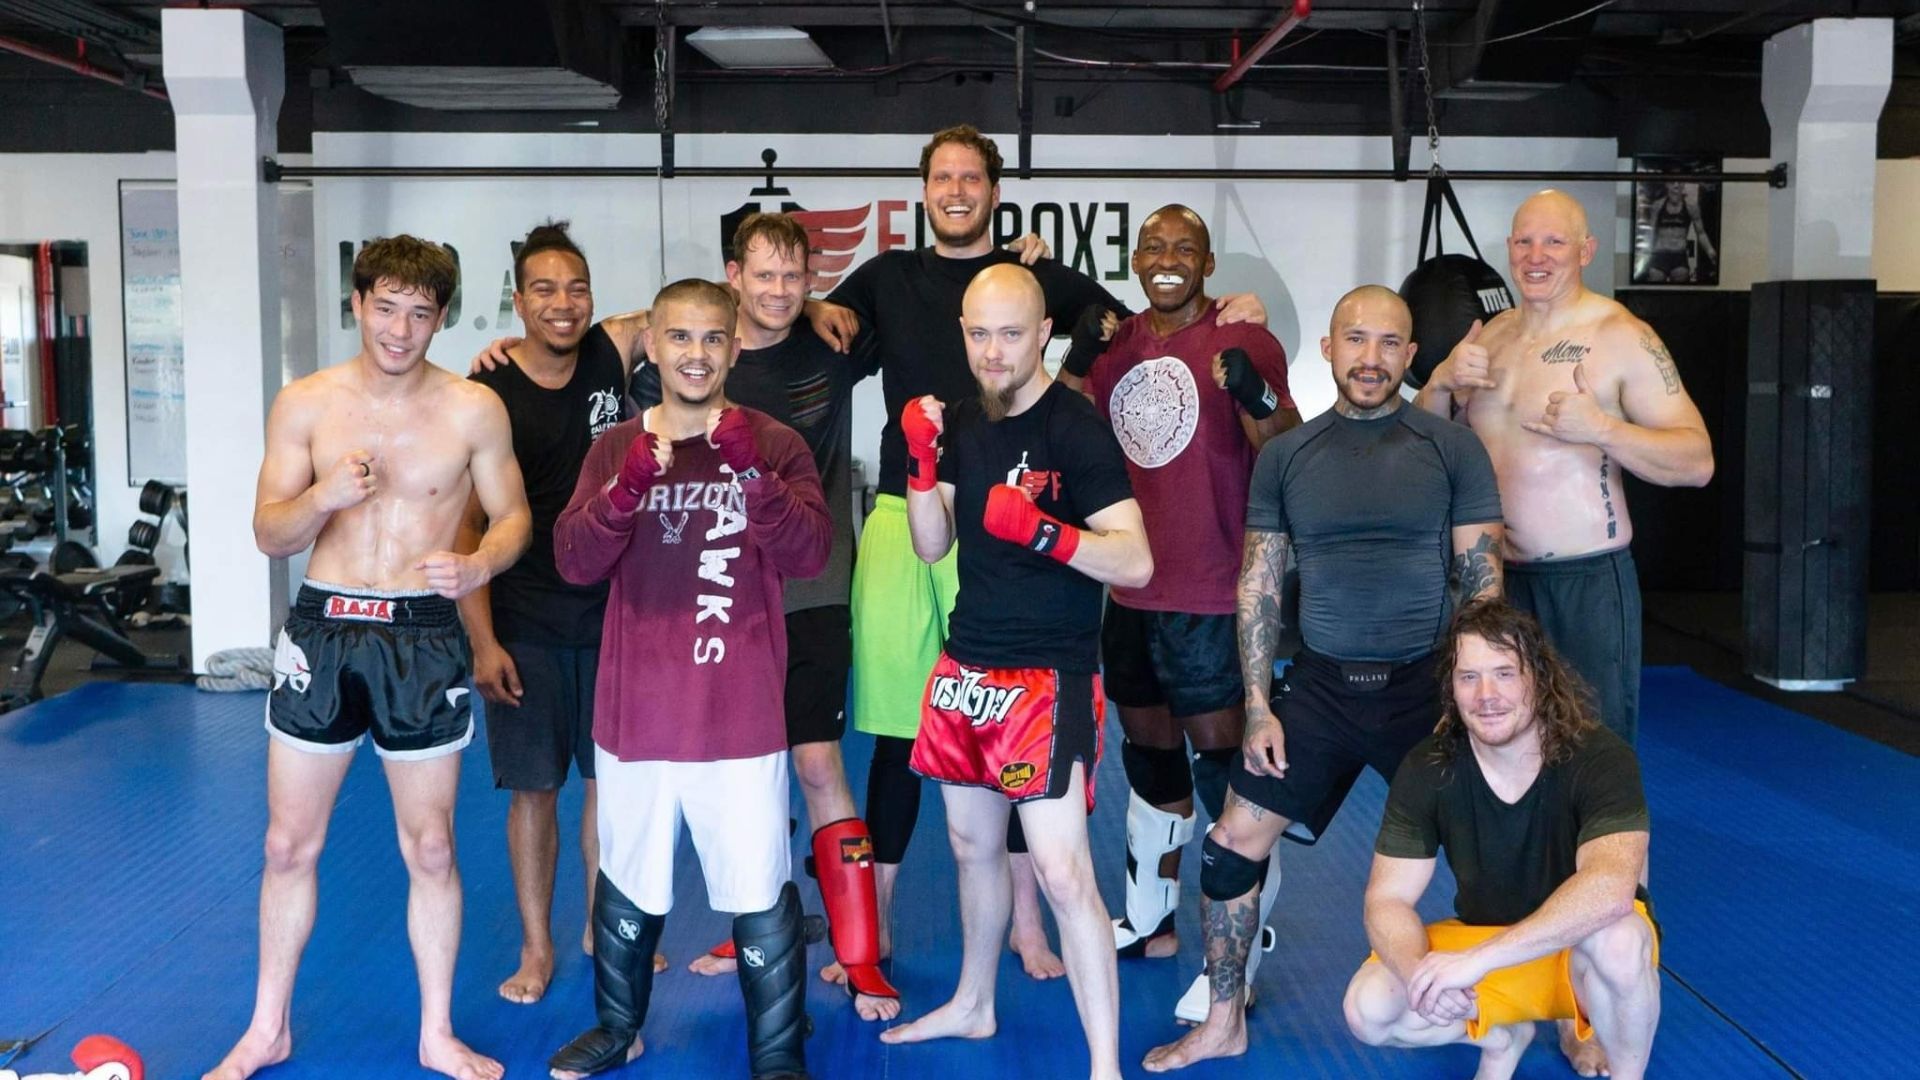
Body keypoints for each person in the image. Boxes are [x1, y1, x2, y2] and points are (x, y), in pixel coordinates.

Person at [806, 124, 1266, 981]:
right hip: (918, 510)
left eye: (970, 176)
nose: (955, 189)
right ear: (923, 189)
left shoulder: (1045, 276)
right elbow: (808, 325)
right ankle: (875, 932)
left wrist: (1236, 311)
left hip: (1021, 514)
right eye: (941, 176)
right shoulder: (884, 277)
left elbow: (1145, 319)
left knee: (1025, 727)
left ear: (993, 188)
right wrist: (805, 303)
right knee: (909, 734)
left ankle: (1027, 925)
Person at [1142, 285, 1505, 1073]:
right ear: (1332, 350)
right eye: (1356, 340)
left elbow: (1482, 583)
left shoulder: (1450, 448)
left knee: (1499, 846)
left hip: (1427, 687)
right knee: (1232, 841)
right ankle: (1224, 1019)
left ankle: (1518, 1015)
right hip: (1322, 689)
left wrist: (1479, 702)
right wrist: (1261, 706)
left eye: (1388, 344)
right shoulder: (1288, 455)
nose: (1370, 358)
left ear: (1411, 358)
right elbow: (1259, 584)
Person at [210, 235, 531, 1080]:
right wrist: (323, 497)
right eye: (385, 307)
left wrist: (478, 565)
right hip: (323, 630)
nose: (400, 328)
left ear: (441, 318)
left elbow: (514, 516)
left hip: (422, 635)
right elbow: (266, 532)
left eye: (421, 312)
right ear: (356, 304)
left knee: (430, 849)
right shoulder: (307, 404)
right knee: (287, 845)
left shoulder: (473, 409)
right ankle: (266, 1028)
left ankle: (436, 1034)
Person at [548, 278, 832, 1080]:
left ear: (735, 347)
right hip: (637, 710)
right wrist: (628, 487)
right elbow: (575, 560)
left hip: (737, 711)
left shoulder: (773, 442)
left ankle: (777, 1053)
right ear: (654, 346)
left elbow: (809, 554)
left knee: (757, 886)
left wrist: (751, 477)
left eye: (713, 338)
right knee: (628, 879)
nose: (697, 354)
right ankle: (615, 1027)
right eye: (680, 337)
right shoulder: (614, 449)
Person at [883, 263, 1150, 1080]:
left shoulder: (1078, 429)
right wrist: (921, 469)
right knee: (971, 849)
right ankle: (972, 1003)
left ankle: (1103, 1065)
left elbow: (1135, 561)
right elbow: (934, 545)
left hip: (1050, 675)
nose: (992, 351)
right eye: (978, 334)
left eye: (1009, 333)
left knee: (1065, 874)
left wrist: (1047, 533)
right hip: (969, 666)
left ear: (1043, 336)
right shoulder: (961, 421)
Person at [672, 211, 901, 1023]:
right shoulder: (701, 359)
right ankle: (757, 926)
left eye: (793, 278)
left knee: (815, 764)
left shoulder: (833, 346)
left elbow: (928, 304)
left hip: (811, 592)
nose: (777, 291)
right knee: (744, 772)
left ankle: (862, 959)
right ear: (733, 276)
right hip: (720, 598)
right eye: (762, 276)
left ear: (811, 281)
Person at [1074, 205, 1301, 1021]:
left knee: (1225, 775)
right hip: (1129, 590)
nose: (1167, 260)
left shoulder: (1243, 337)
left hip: (1212, 592)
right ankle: (1151, 919)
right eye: (1154, 247)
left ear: (1207, 264)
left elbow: (1285, 444)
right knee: (1149, 758)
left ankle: (1242, 949)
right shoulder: (1117, 345)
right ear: (1134, 258)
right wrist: (1076, 362)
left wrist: (1259, 390)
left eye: (1185, 249)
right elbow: (1069, 436)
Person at [1417, 189, 1712, 751]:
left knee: (1592, 749)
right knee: (1494, 741)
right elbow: (1424, 446)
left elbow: (1697, 461)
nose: (1537, 255)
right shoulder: (1490, 337)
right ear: (1508, 248)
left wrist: (1603, 429)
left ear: (1586, 249)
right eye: (1525, 241)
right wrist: (1440, 384)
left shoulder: (1621, 335)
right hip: (1493, 581)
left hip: (1585, 581)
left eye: (1554, 241)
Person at [1343, 599, 1660, 1080]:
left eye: (1504, 674)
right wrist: (1419, 975)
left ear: (1539, 677)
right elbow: (1385, 899)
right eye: (1469, 677)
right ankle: (1503, 1038)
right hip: (1490, 944)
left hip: (1576, 955)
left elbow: (1611, 888)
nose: (1486, 694)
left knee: (1619, 941)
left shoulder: (1601, 757)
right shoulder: (1429, 767)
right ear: (1451, 687)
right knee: (1368, 1010)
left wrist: (1476, 962)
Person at [456, 221, 646, 1007]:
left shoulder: (612, 348)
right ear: (517, 300)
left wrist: (813, 310)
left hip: (614, 616)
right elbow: (466, 529)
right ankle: (538, 946)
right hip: (526, 621)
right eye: (543, 289)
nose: (562, 304)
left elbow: (727, 305)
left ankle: (604, 927)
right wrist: (482, 641)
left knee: (612, 785)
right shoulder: (488, 394)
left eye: (575, 287)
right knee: (535, 790)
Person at [1639, 182, 1717, 284]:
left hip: (1679, 256)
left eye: (1679, 183)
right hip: (1660, 255)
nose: (1676, 186)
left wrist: (1710, 251)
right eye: (1672, 183)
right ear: (1667, 185)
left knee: (1681, 281)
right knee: (1655, 280)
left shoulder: (1691, 207)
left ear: (1683, 186)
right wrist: (1643, 255)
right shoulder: (1658, 206)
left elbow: (1701, 233)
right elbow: (1650, 232)